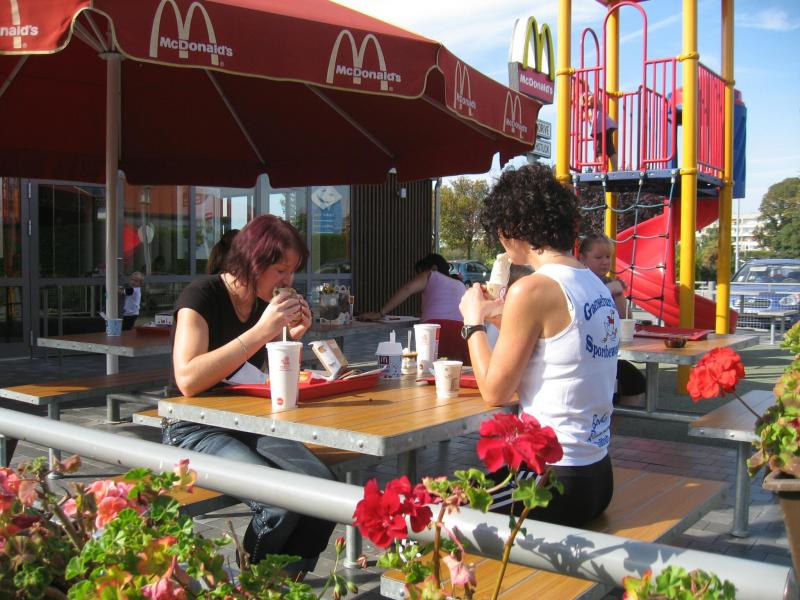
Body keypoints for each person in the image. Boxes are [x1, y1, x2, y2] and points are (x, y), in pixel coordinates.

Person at [164, 215, 335, 573]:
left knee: (325, 494)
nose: (288, 281)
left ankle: (287, 585)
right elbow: (188, 379)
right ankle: (252, 585)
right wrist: (262, 330)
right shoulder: (201, 296)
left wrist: (289, 339)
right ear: (252, 262)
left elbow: (258, 375)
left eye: (292, 272)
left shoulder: (262, 303)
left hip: (247, 419)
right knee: (277, 504)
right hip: (193, 426)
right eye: (280, 270)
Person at [459, 163, 616, 527]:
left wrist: (472, 322)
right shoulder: (593, 283)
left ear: (512, 229)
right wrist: (498, 316)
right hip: (596, 475)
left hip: (551, 481)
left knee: (432, 513)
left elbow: (495, 392)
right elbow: (555, 347)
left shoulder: (532, 289)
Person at [358, 253, 469, 364]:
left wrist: (380, 313)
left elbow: (407, 289)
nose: (419, 276)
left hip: (433, 331)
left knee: (428, 369)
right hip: (461, 333)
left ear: (434, 268)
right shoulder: (460, 285)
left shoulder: (431, 275)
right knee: (458, 372)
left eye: (420, 272)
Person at [578, 233, 646, 405]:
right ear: (582, 258)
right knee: (618, 383)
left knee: (635, 381)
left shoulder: (610, 282)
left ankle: (613, 420)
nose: (605, 262)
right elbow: (584, 306)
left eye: (608, 257)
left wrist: (619, 294)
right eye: (598, 257)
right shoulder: (579, 282)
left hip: (605, 350)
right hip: (586, 353)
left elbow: (625, 320)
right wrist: (609, 290)